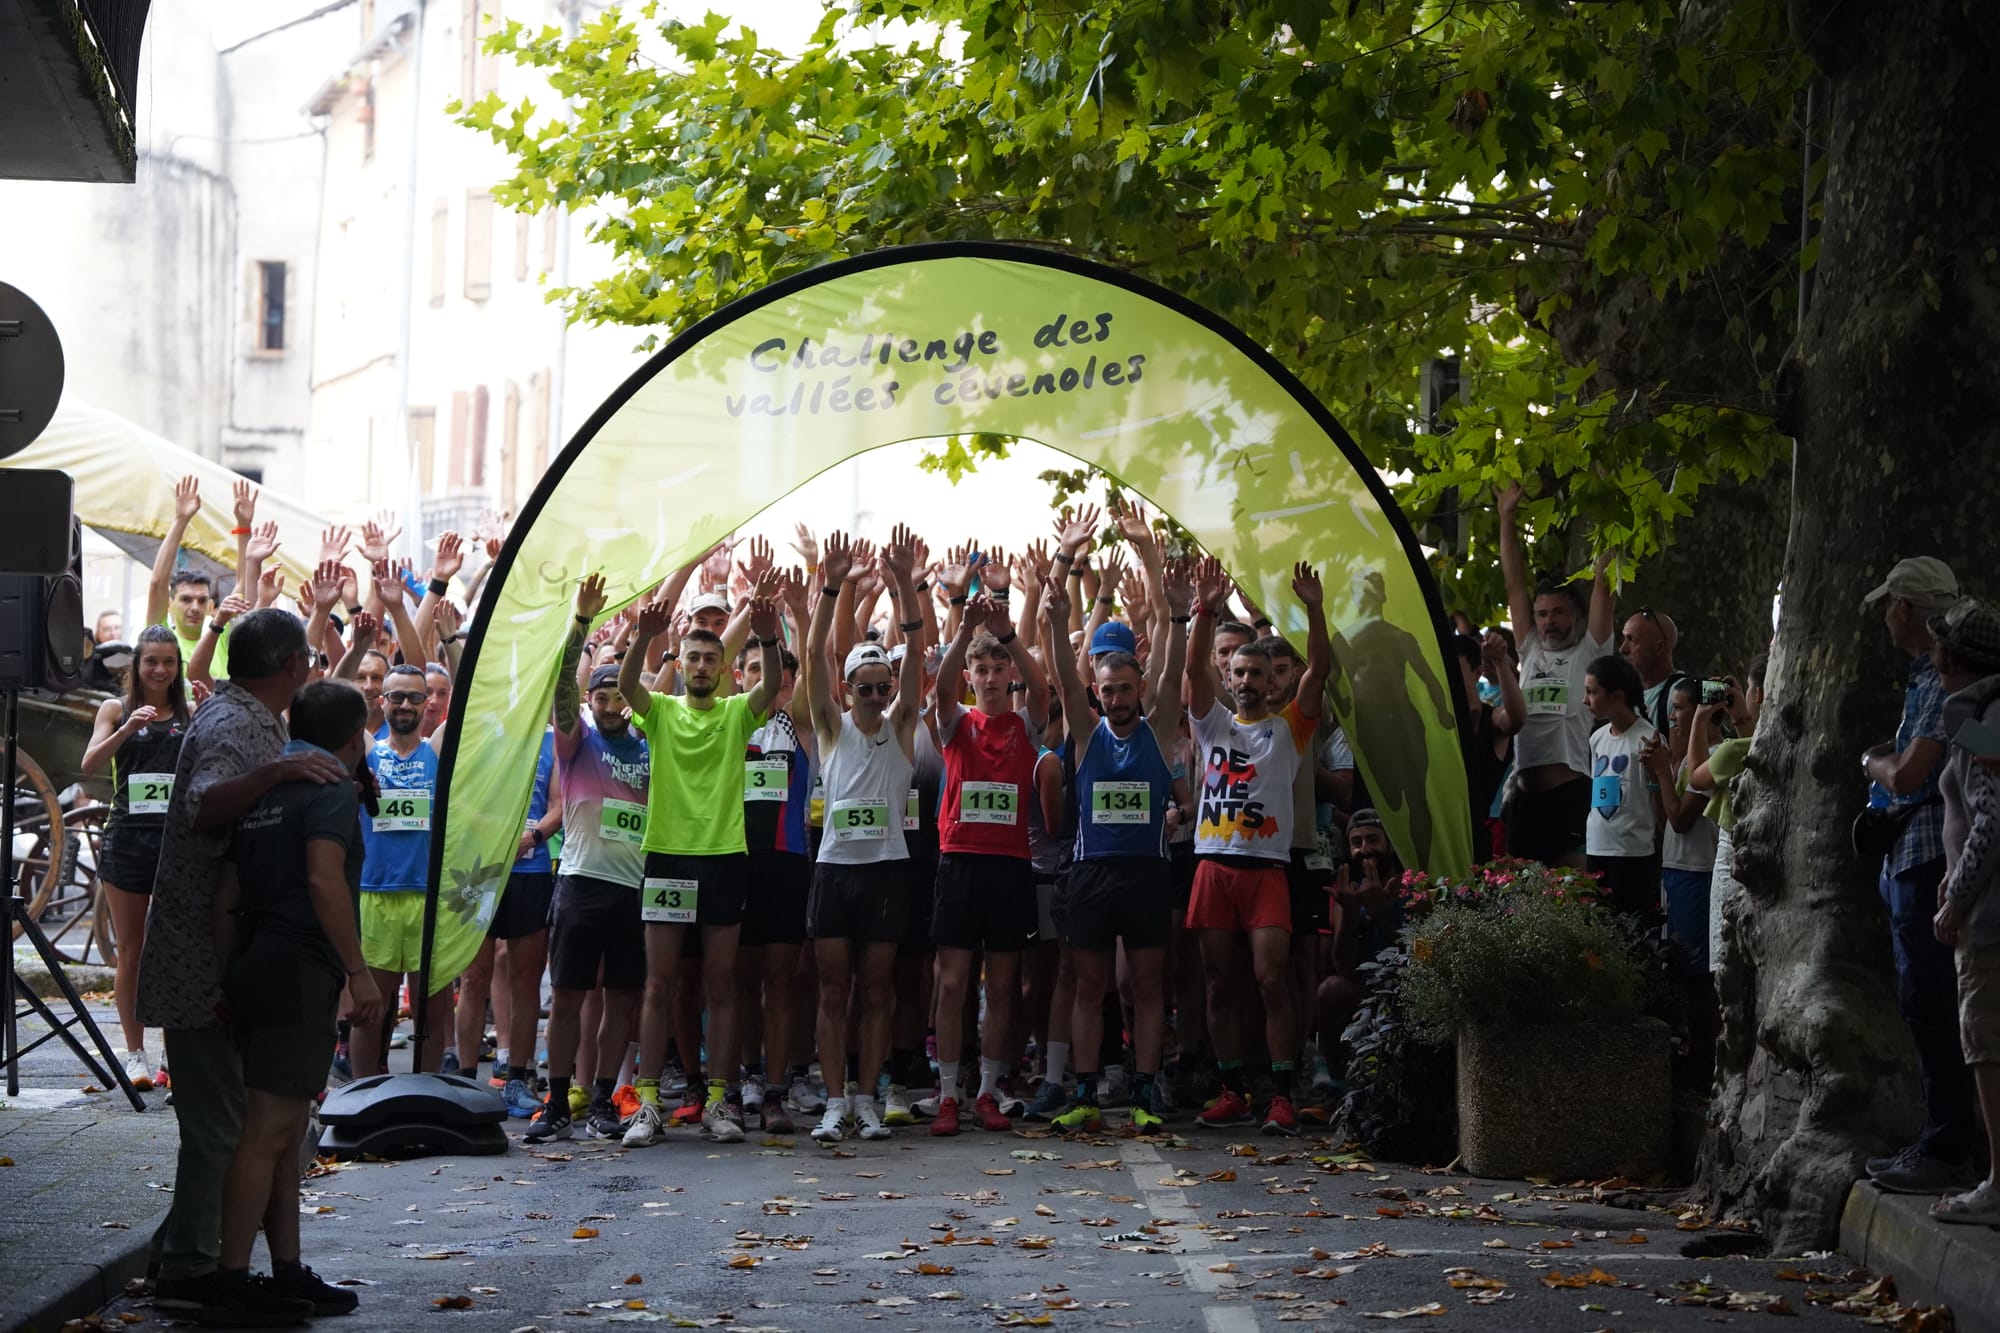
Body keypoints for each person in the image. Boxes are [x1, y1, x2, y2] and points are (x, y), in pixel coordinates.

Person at [135, 608, 346, 1323]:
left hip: (226, 948)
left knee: (235, 1118)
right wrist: (281, 768)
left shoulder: (246, 712)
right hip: (200, 950)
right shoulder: (237, 722)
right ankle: (193, 1272)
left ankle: (185, 1250)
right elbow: (201, 806)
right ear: (290, 664)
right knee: (222, 1124)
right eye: (310, 657)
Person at [209, 679, 381, 1324]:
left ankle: (284, 1272)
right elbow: (322, 875)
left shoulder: (266, 784)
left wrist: (230, 975)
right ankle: (230, 1281)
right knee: (269, 1131)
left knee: (284, 1132)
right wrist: (357, 973)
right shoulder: (330, 785)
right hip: (298, 966)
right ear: (355, 733)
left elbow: (227, 885)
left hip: (256, 960)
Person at [617, 570, 784, 1147]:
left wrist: (767, 636)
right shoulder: (660, 711)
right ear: (681, 662)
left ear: (724, 668)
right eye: (693, 657)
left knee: (721, 982)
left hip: (723, 859)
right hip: (666, 857)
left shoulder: (738, 712)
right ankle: (647, 1106)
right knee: (659, 984)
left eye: (712, 659)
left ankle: (720, 1101)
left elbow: (773, 686)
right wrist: (644, 636)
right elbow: (628, 689)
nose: (702, 666)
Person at [1184, 559, 1331, 1135]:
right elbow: (1194, 669)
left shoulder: (1290, 727)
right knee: (1220, 983)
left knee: (1272, 979)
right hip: (1213, 867)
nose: (1245, 681)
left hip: (1267, 870)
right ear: (1230, 678)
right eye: (1237, 673)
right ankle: (1232, 1089)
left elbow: (1319, 667)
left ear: (1272, 681)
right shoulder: (1210, 725)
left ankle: (1281, 1092)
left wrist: (1313, 608)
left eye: (1256, 674)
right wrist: (1202, 609)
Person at [1041, 565, 1189, 1133]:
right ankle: (1084, 1092)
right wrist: (1057, 622)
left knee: (1148, 987)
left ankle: (1146, 1093)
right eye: (1108, 690)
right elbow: (1059, 671)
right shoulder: (1086, 732)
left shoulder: (1159, 727)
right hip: (1092, 875)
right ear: (1096, 694)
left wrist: (1177, 614)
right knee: (1088, 986)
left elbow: (1174, 672)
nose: (1118, 698)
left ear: (1139, 689)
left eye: (1127, 688)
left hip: (1148, 874)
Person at [801, 530, 926, 1142]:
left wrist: (903, 582)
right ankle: (833, 1100)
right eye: (865, 687)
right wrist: (829, 587)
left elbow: (919, 646)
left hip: (885, 870)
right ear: (848, 690)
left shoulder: (903, 724)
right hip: (834, 872)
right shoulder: (831, 727)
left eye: (884, 686)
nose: (877, 695)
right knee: (832, 989)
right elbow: (813, 657)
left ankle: (870, 1098)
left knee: (877, 988)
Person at [1860, 557, 1980, 1193]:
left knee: (1932, 1002)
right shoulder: (1927, 677)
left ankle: (1947, 1146)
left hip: (1929, 854)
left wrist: (1873, 761)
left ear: (1905, 610)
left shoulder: (1941, 682)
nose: (1885, 615)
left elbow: (1910, 775)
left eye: (1889, 604)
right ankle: (1939, 1137)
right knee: (1926, 1002)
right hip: (1914, 854)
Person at [528, 574, 652, 1143]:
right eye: (599, 696)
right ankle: (556, 1102)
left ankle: (603, 1099)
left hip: (632, 890)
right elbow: (559, 691)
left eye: (617, 695)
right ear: (590, 701)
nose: (608, 704)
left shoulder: (649, 745)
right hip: (579, 882)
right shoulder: (575, 740)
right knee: (571, 998)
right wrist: (579, 626)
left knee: (621, 998)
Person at [928, 581, 1051, 1136]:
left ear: (1009, 675)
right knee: (952, 984)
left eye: (1000, 668)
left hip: (1010, 866)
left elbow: (1044, 688)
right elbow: (937, 692)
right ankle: (948, 1092)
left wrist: (1008, 635)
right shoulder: (957, 726)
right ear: (971, 676)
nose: (991, 677)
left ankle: (986, 1091)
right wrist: (962, 633)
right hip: (960, 861)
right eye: (982, 669)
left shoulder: (1025, 724)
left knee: (1002, 986)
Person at [80, 625, 190, 1090]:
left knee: (177, 952)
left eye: (169, 662)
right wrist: (128, 728)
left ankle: (174, 1054)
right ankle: (134, 1054)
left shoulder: (189, 710)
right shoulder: (115, 708)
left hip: (177, 845)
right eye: (151, 662)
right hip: (127, 840)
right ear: (137, 667)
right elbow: (88, 765)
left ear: (177, 667)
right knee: (132, 952)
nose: (160, 670)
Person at [1927, 596, 2000, 1226]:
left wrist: (1955, 897)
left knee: (1987, 1045)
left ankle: (1999, 1185)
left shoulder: (1984, 718)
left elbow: (1991, 819)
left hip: (1989, 915)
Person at [1495, 482, 1615, 866]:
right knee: (1519, 904)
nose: (1549, 621)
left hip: (1569, 794)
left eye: (1559, 612)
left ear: (1575, 615)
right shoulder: (1528, 647)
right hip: (1524, 798)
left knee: (1572, 898)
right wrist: (1506, 517)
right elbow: (1514, 585)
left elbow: (1603, 587)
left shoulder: (1590, 651)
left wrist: (1611, 516)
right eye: (1543, 613)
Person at [346, 665, 454, 1078]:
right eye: (397, 697)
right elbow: (336, 697)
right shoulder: (368, 750)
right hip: (375, 895)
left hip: (429, 897)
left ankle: (424, 1093)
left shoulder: (437, 750)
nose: (405, 704)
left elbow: (467, 699)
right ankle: (363, 1095)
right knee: (371, 1007)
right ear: (382, 702)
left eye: (414, 697)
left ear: (427, 703)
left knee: (430, 1009)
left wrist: (448, 639)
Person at [469, 728, 559, 1114]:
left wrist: (533, 837)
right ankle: (465, 1079)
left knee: (525, 979)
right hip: (479, 867)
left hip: (531, 870)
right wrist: (496, 833)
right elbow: (462, 795)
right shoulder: (483, 726)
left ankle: (518, 1079)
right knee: (474, 977)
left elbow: (559, 803)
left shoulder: (552, 740)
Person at [1582, 653, 1672, 923]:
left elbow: (1660, 807)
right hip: (1597, 847)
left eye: (1592, 692)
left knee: (1627, 928)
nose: (1585, 700)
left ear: (1617, 697)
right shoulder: (1597, 738)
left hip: (1631, 853)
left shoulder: (1648, 740)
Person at [1621, 607, 1686, 735]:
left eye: (1631, 640)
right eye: (1624, 639)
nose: (1622, 649)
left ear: (1659, 647)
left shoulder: (1680, 694)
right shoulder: (1624, 695)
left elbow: (1679, 755)